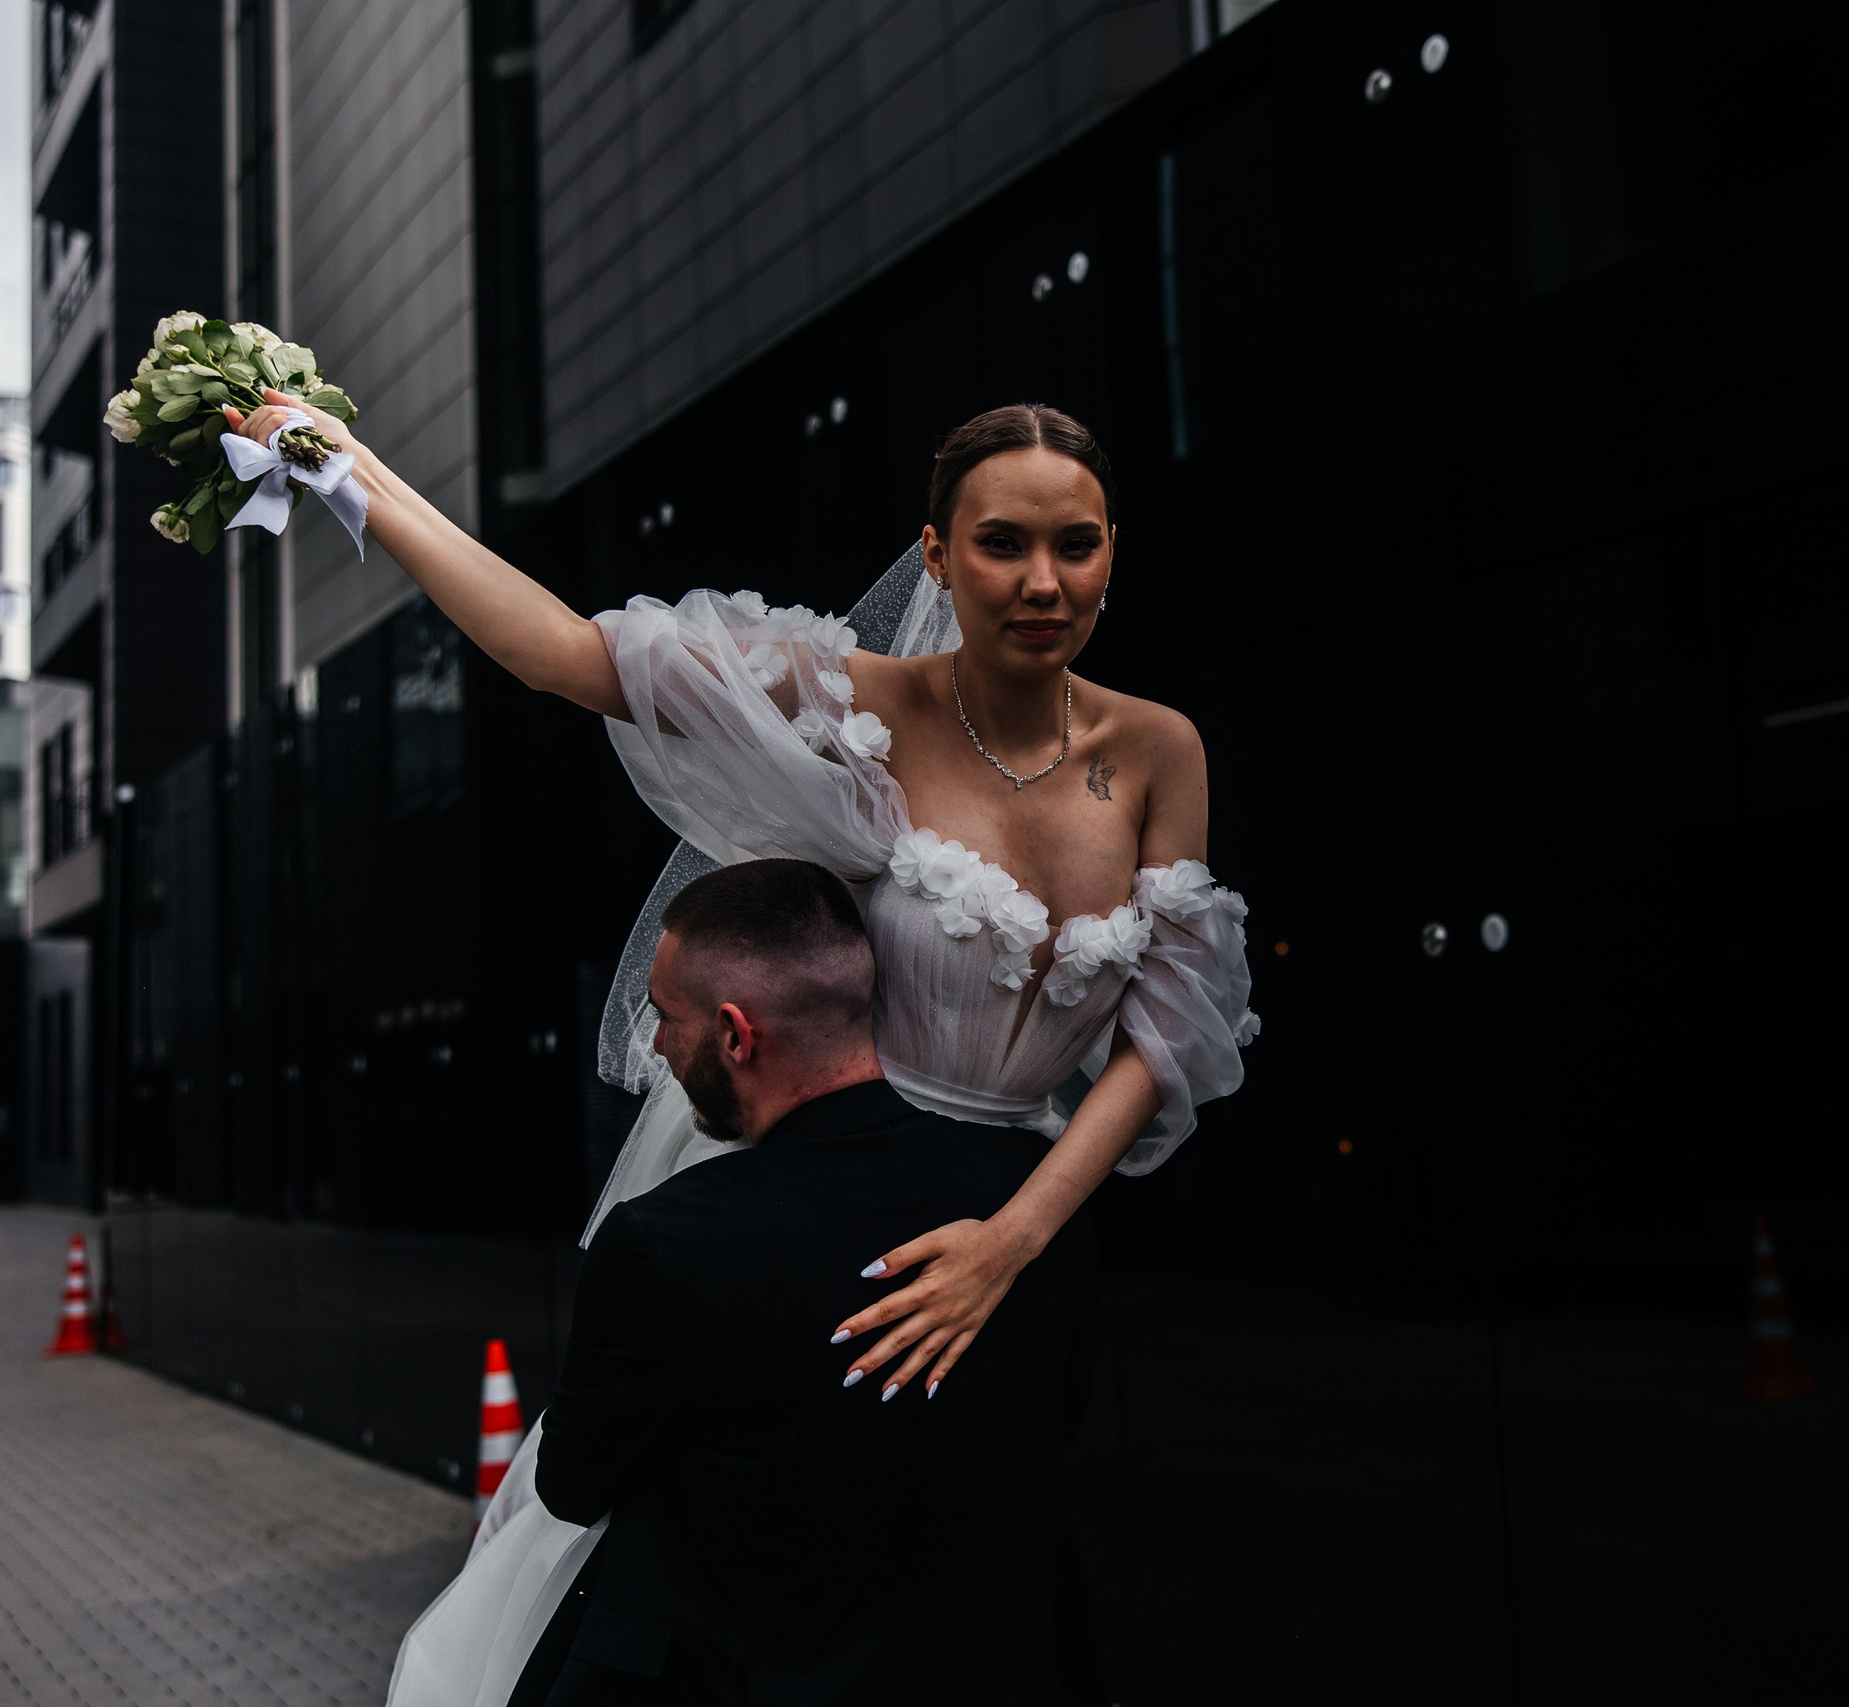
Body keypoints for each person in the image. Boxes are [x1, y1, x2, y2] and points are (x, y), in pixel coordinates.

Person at [219, 390, 1257, 1704]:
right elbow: (563, 654)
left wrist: (1017, 1236)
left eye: (1080, 543)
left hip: (1021, 1240)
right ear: (935, 554)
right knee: (770, 1567)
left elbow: (1162, 1037)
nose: (1044, 582)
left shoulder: (1161, 747)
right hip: (820, 1220)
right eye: (1003, 543)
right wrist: (355, 466)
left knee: (979, 1590)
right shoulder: (848, 697)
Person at [516, 856, 1097, 1705]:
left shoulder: (663, 1239)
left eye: (665, 1017)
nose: (658, 1045)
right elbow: (1054, 1418)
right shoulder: (1031, 1201)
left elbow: (572, 1485)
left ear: (733, 1035)